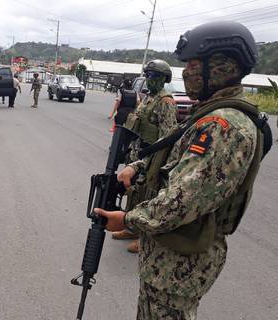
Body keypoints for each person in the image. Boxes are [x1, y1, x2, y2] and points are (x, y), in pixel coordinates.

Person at [95, 21, 268, 319]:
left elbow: (182, 201)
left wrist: (128, 219)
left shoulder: (224, 125)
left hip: (180, 263)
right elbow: (173, 151)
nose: (186, 72)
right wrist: (138, 167)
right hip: (169, 255)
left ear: (221, 66)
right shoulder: (210, 113)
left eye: (192, 64)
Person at [112, 59, 177, 254]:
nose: (150, 79)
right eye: (148, 75)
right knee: (133, 191)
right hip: (138, 151)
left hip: (153, 155)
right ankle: (132, 227)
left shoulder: (166, 102)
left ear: (164, 79)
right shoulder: (149, 98)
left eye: (155, 76)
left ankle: (146, 239)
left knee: (150, 196)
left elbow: (168, 136)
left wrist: (158, 161)